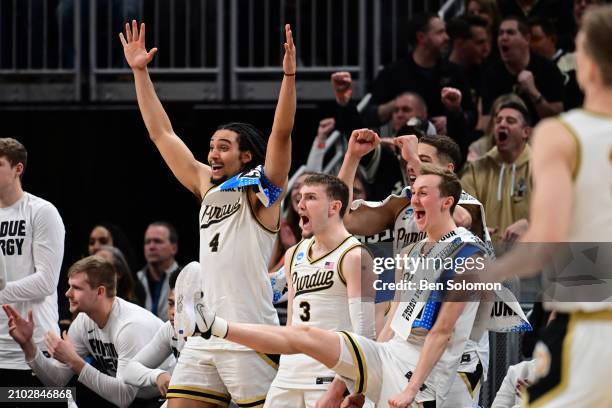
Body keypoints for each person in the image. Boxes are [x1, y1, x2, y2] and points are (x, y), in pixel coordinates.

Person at [189, 165, 489, 408]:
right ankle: (215, 326)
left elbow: (443, 331)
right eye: (413, 193)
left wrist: (411, 389)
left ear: (447, 202)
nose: (413, 200)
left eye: (423, 194)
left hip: (422, 376)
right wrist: (361, 380)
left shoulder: (470, 254)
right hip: (387, 356)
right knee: (302, 335)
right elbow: (393, 320)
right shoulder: (411, 252)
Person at [121, 20, 296, 407]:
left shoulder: (261, 191)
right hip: (205, 334)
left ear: (246, 155)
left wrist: (288, 77)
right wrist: (140, 72)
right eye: (211, 147)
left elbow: (281, 135)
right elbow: (161, 134)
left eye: (223, 147)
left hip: (249, 332)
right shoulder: (206, 184)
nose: (213, 154)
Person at [483, 4, 612, 406]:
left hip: (591, 330)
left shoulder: (561, 133)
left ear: (587, 65)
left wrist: (488, 272)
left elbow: (545, 241)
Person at [264, 173, 376, 407]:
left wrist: (338, 390)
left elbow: (364, 335)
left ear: (334, 207)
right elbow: (291, 325)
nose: (300, 204)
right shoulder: (294, 253)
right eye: (300, 197)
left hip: (329, 377)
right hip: (288, 376)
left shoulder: (356, 255)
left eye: (311, 197)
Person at [3, 255, 164, 407]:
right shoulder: (83, 321)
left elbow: (124, 397)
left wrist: (74, 361)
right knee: (57, 397)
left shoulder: (129, 327)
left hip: (163, 396)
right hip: (132, 397)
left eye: (76, 288)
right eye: (69, 286)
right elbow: (57, 381)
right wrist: (28, 345)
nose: (67, 293)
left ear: (100, 292)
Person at [0, 138, 66, 389]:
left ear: (18, 169)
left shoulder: (41, 211)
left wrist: (1, 293)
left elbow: (46, 281)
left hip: (35, 349)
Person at [461, 101, 532, 251]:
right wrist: (477, 228)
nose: (502, 124)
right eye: (498, 121)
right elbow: (461, 211)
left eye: (510, 121)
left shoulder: (541, 167)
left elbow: (561, 211)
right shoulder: (476, 169)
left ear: (526, 132)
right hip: (487, 260)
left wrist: (530, 224)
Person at [124, 262, 200, 401]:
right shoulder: (169, 329)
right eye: (171, 304)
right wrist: (157, 376)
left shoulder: (218, 335)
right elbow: (128, 371)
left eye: (181, 305)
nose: (172, 313)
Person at [481, 15, 565, 124]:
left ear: (527, 39)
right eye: (500, 33)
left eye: (510, 33)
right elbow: (486, 121)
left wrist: (534, 93)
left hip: (540, 134)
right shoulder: (492, 73)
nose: (503, 37)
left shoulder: (547, 69)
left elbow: (557, 119)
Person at [137, 222, 181, 320]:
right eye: (147, 242)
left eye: (157, 241)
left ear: (174, 248)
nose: (151, 247)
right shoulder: (135, 280)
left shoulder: (186, 279)